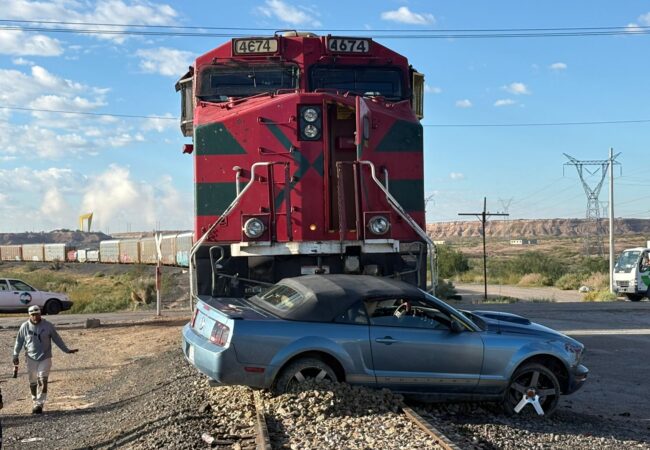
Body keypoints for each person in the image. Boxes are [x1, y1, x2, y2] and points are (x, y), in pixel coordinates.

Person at [12, 305, 78, 414]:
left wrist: (66, 350)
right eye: (33, 315)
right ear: (29, 315)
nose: (35, 317)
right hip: (30, 358)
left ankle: (39, 403)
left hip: (45, 357)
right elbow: (19, 341)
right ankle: (35, 400)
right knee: (33, 381)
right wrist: (15, 355)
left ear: (40, 314)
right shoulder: (25, 326)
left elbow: (57, 339)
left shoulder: (47, 326)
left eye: (37, 314)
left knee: (43, 379)